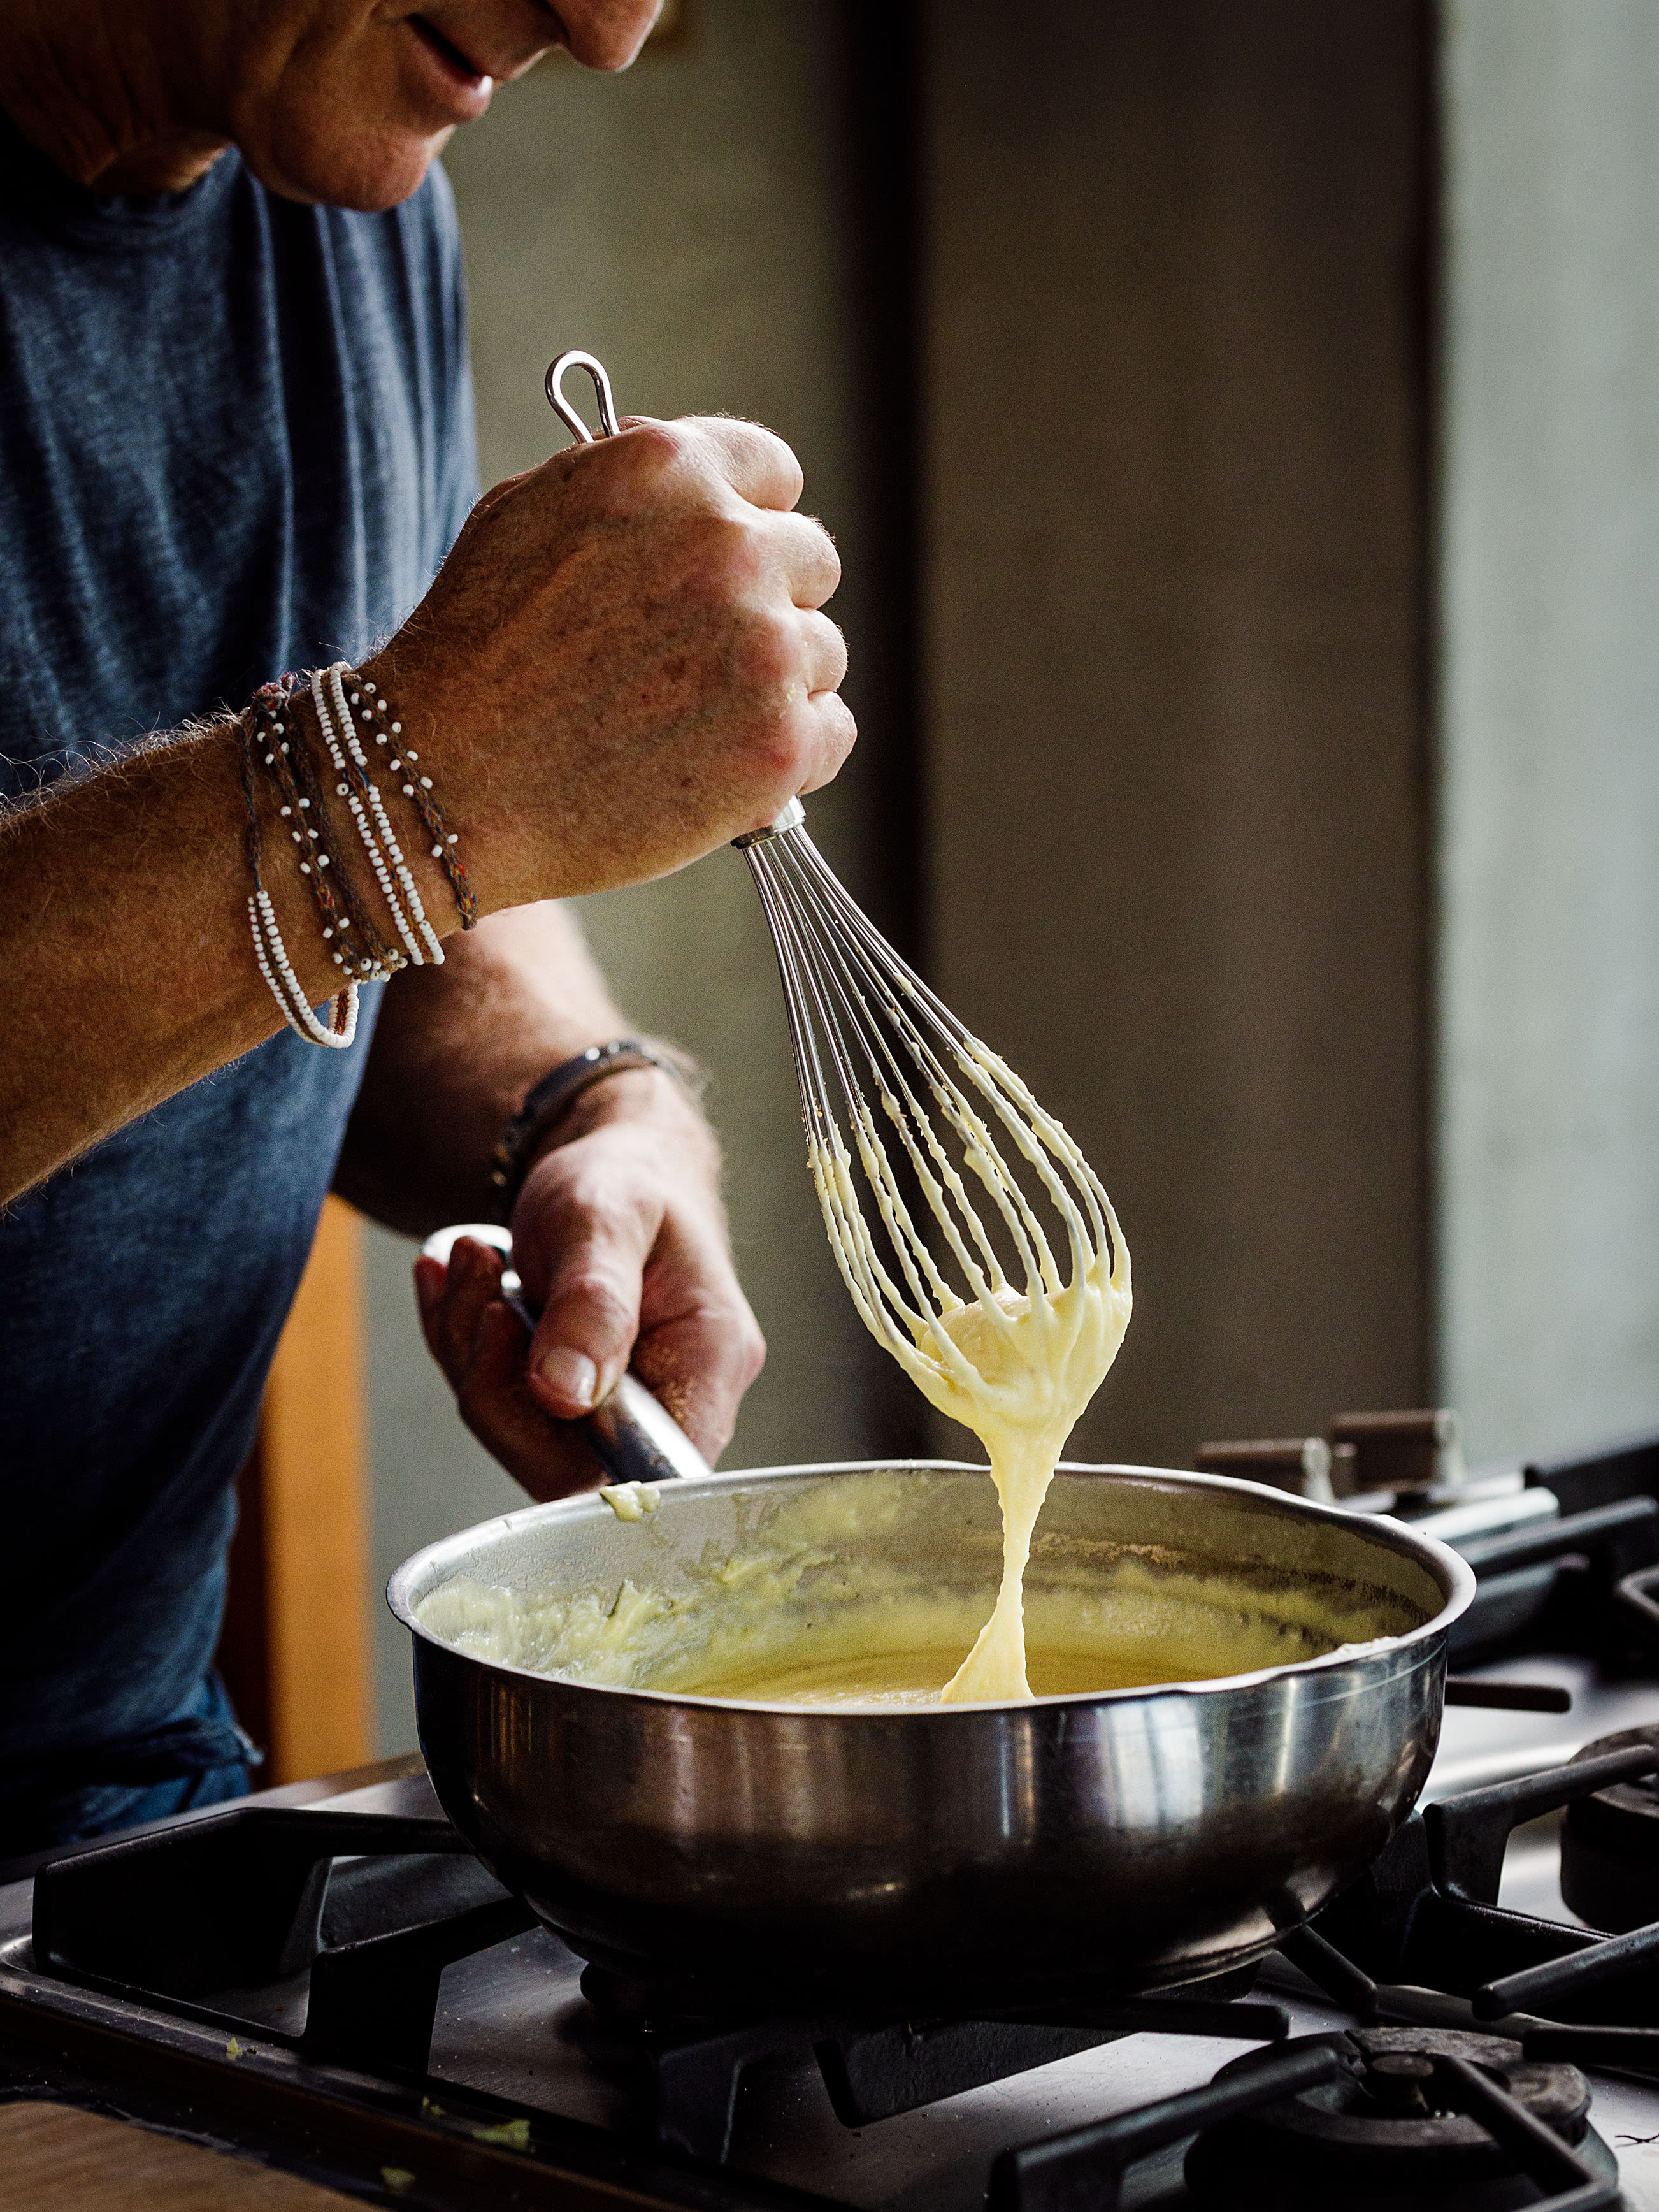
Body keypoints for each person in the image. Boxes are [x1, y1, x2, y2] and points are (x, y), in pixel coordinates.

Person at [0, 0, 854, 1856]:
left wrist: (581, 1109)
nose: (610, 29)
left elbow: (331, 875)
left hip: (111, 1812)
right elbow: (358, 810)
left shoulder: (343, 189)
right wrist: (418, 774)